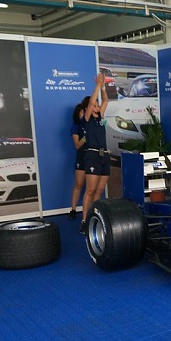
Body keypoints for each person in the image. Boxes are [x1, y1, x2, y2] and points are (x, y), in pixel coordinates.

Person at [80, 74, 109, 234]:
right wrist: (97, 85)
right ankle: (84, 221)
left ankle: (94, 217)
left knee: (99, 191)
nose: (97, 106)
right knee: (90, 190)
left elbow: (105, 101)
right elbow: (92, 102)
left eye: (97, 105)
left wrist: (103, 87)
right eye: (94, 105)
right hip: (91, 156)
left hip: (104, 155)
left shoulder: (101, 118)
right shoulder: (86, 120)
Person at [68, 100, 88, 219]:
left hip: (93, 158)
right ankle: (73, 209)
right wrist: (86, 137)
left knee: (91, 188)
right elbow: (77, 145)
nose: (83, 114)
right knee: (79, 184)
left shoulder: (91, 124)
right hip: (81, 158)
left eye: (84, 112)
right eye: (81, 112)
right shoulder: (75, 127)